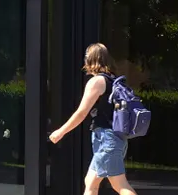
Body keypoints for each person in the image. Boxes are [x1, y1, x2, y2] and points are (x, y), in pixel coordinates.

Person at [49, 43, 137, 195]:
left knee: (120, 185)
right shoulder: (112, 80)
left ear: (90, 60)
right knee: (90, 182)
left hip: (107, 139)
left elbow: (82, 112)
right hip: (113, 138)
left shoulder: (96, 82)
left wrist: (60, 132)